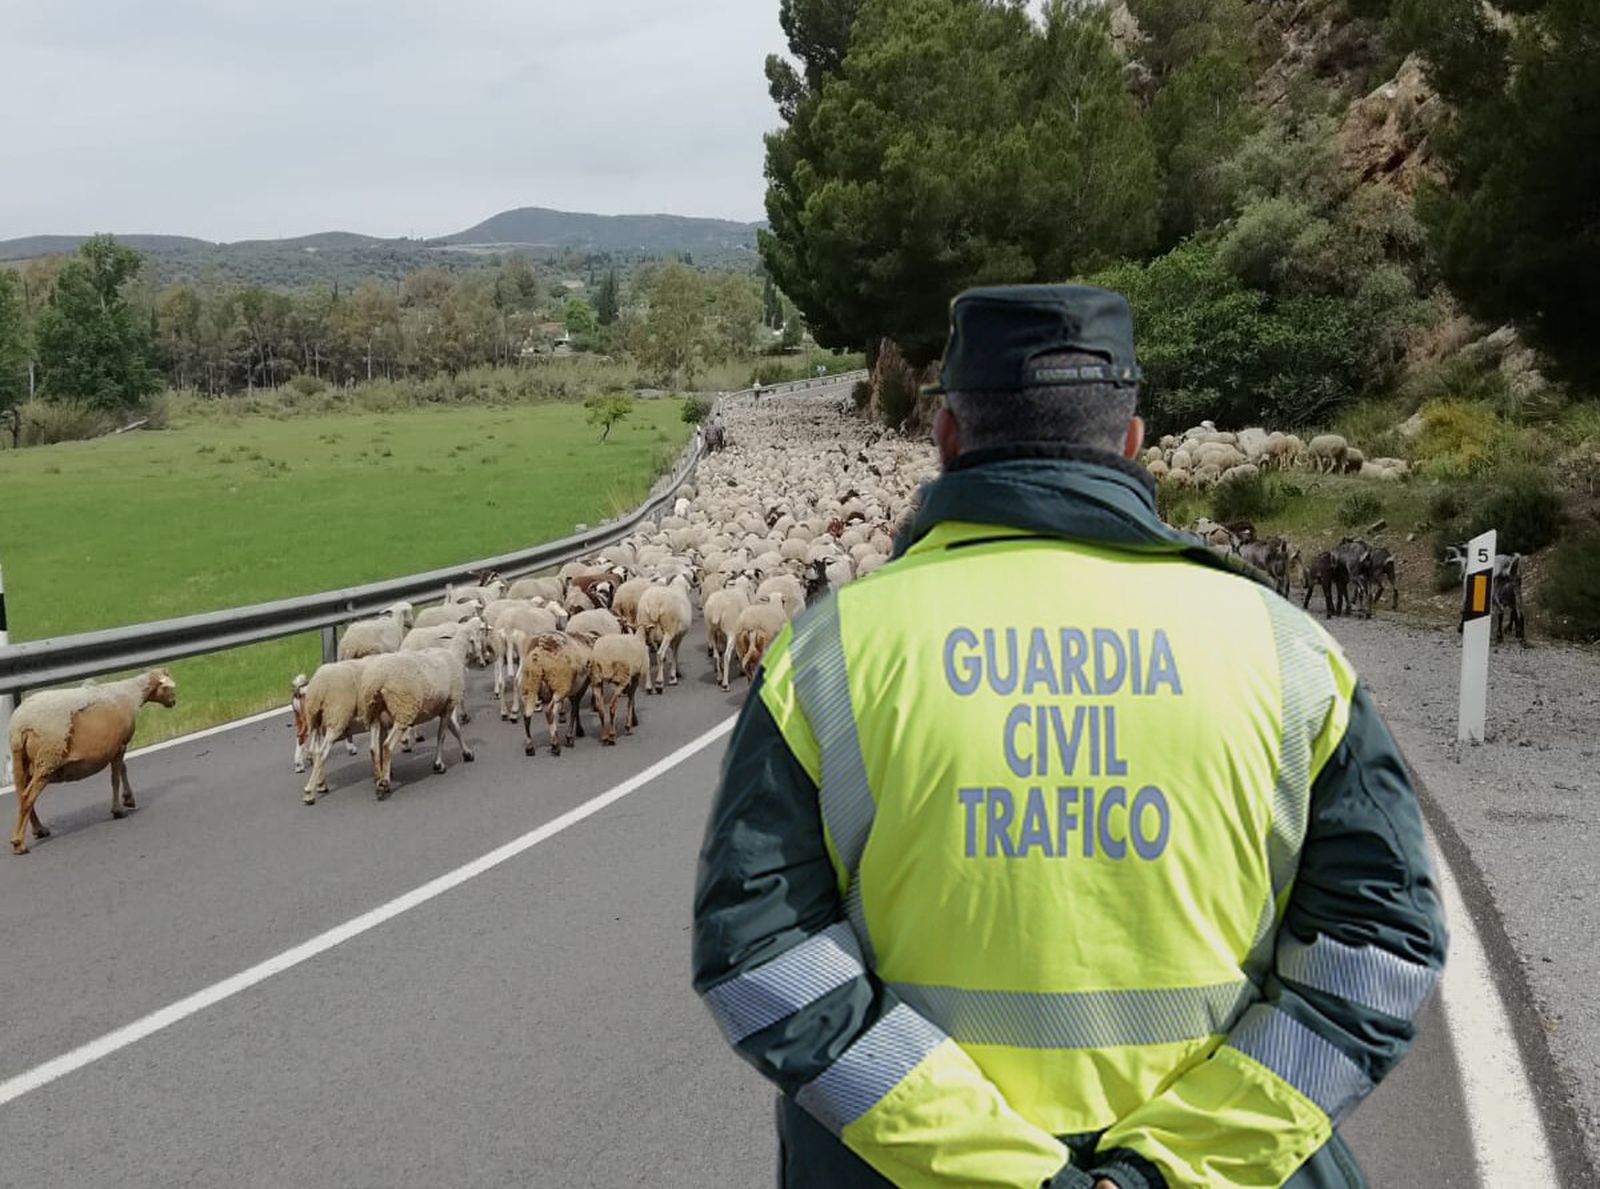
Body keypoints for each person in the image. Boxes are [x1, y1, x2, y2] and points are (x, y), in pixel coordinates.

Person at [691, 283, 1447, 1188]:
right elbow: (1380, 948)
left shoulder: (831, 656)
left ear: (947, 439)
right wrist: (1165, 1167)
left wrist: (1002, 1168)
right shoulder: (1287, 653)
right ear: (1133, 442)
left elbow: (758, 952)